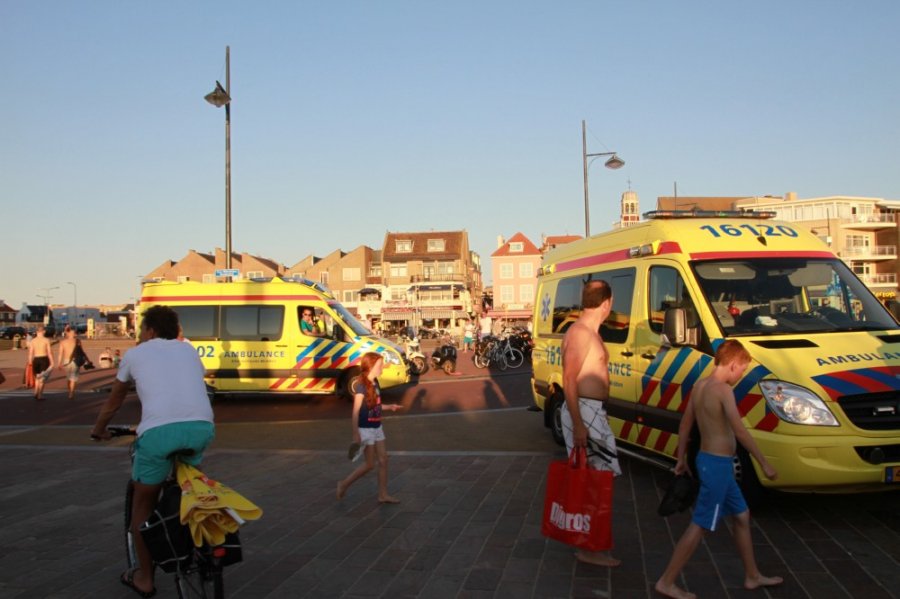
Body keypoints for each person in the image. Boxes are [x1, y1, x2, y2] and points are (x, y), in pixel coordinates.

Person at [90, 305, 215, 598]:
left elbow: (114, 400)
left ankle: (145, 578)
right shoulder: (188, 350)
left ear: (151, 330)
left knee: (143, 506)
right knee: (189, 489)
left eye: (142, 329)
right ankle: (201, 549)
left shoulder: (135, 354)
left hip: (158, 434)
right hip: (200, 428)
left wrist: (99, 430)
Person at [655, 340, 782, 599]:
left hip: (708, 461)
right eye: (742, 370)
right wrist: (763, 461)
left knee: (742, 516)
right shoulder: (723, 390)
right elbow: (739, 430)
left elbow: (685, 426)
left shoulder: (700, 387)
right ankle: (667, 581)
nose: (741, 375)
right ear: (733, 364)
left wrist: (681, 458)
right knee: (700, 524)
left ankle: (752, 575)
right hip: (717, 466)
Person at [561, 280, 621, 567]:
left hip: (591, 410)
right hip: (585, 411)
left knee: (596, 481)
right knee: (596, 483)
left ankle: (591, 544)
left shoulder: (586, 332)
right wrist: (580, 424)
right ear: (607, 302)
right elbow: (569, 380)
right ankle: (589, 548)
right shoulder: (581, 334)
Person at [336, 352, 402, 504]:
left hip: (377, 426)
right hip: (365, 428)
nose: (382, 369)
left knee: (384, 460)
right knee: (370, 464)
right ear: (371, 366)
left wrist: (389, 407)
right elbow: (355, 411)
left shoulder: (375, 382)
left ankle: (383, 495)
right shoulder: (361, 385)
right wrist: (355, 433)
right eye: (379, 366)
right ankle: (343, 484)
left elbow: (376, 405)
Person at [27, 325, 54, 401]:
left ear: (36, 332)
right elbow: (49, 352)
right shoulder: (46, 340)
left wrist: (29, 362)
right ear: (44, 331)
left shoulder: (33, 341)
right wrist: (52, 362)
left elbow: (30, 353)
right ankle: (40, 395)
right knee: (42, 379)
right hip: (44, 359)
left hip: (35, 359)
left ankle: (36, 392)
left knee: (37, 377)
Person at [56, 325, 79, 400]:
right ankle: (71, 393)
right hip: (75, 360)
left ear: (68, 333)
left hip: (66, 361)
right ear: (74, 334)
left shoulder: (63, 342)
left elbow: (60, 354)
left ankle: (70, 391)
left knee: (69, 378)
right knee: (73, 378)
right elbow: (81, 352)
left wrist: (59, 363)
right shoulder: (77, 341)